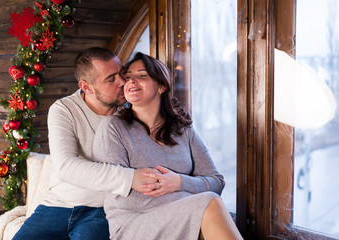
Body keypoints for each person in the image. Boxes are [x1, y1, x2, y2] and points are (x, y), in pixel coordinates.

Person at [12, 48, 181, 240]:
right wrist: (130, 178)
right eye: (111, 79)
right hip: (57, 205)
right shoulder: (64, 109)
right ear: (87, 87)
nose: (122, 82)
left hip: (103, 210)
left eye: (122, 73)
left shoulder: (134, 110)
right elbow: (66, 167)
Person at [92, 52, 243, 240]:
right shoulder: (113, 127)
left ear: (161, 86)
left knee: (213, 207)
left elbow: (216, 181)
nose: (131, 82)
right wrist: (188, 199)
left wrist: (179, 182)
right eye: (128, 77)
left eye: (142, 75)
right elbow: (122, 196)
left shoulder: (183, 130)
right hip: (134, 223)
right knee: (208, 204)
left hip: (183, 212)